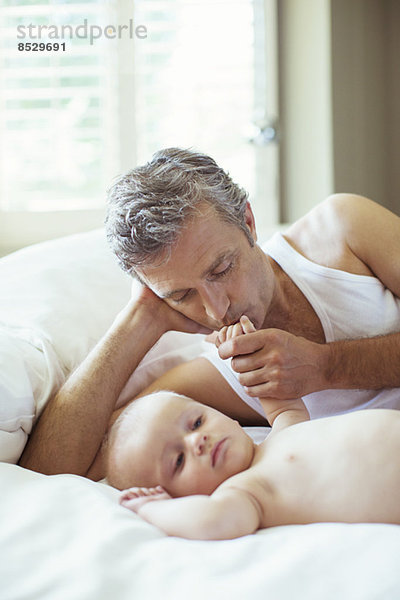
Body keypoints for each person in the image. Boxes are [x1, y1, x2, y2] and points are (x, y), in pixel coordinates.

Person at [19, 147, 400, 479]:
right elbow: (49, 470)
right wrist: (141, 317)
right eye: (183, 294)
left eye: (221, 269)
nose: (217, 311)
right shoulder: (221, 377)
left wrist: (325, 366)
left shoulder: (342, 230)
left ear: (248, 222)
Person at [110, 391, 400, 540]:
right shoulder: (246, 489)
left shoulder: (282, 431)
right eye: (179, 460)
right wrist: (153, 508)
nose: (197, 440)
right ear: (176, 497)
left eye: (197, 422)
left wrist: (245, 349)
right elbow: (215, 522)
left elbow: (284, 404)